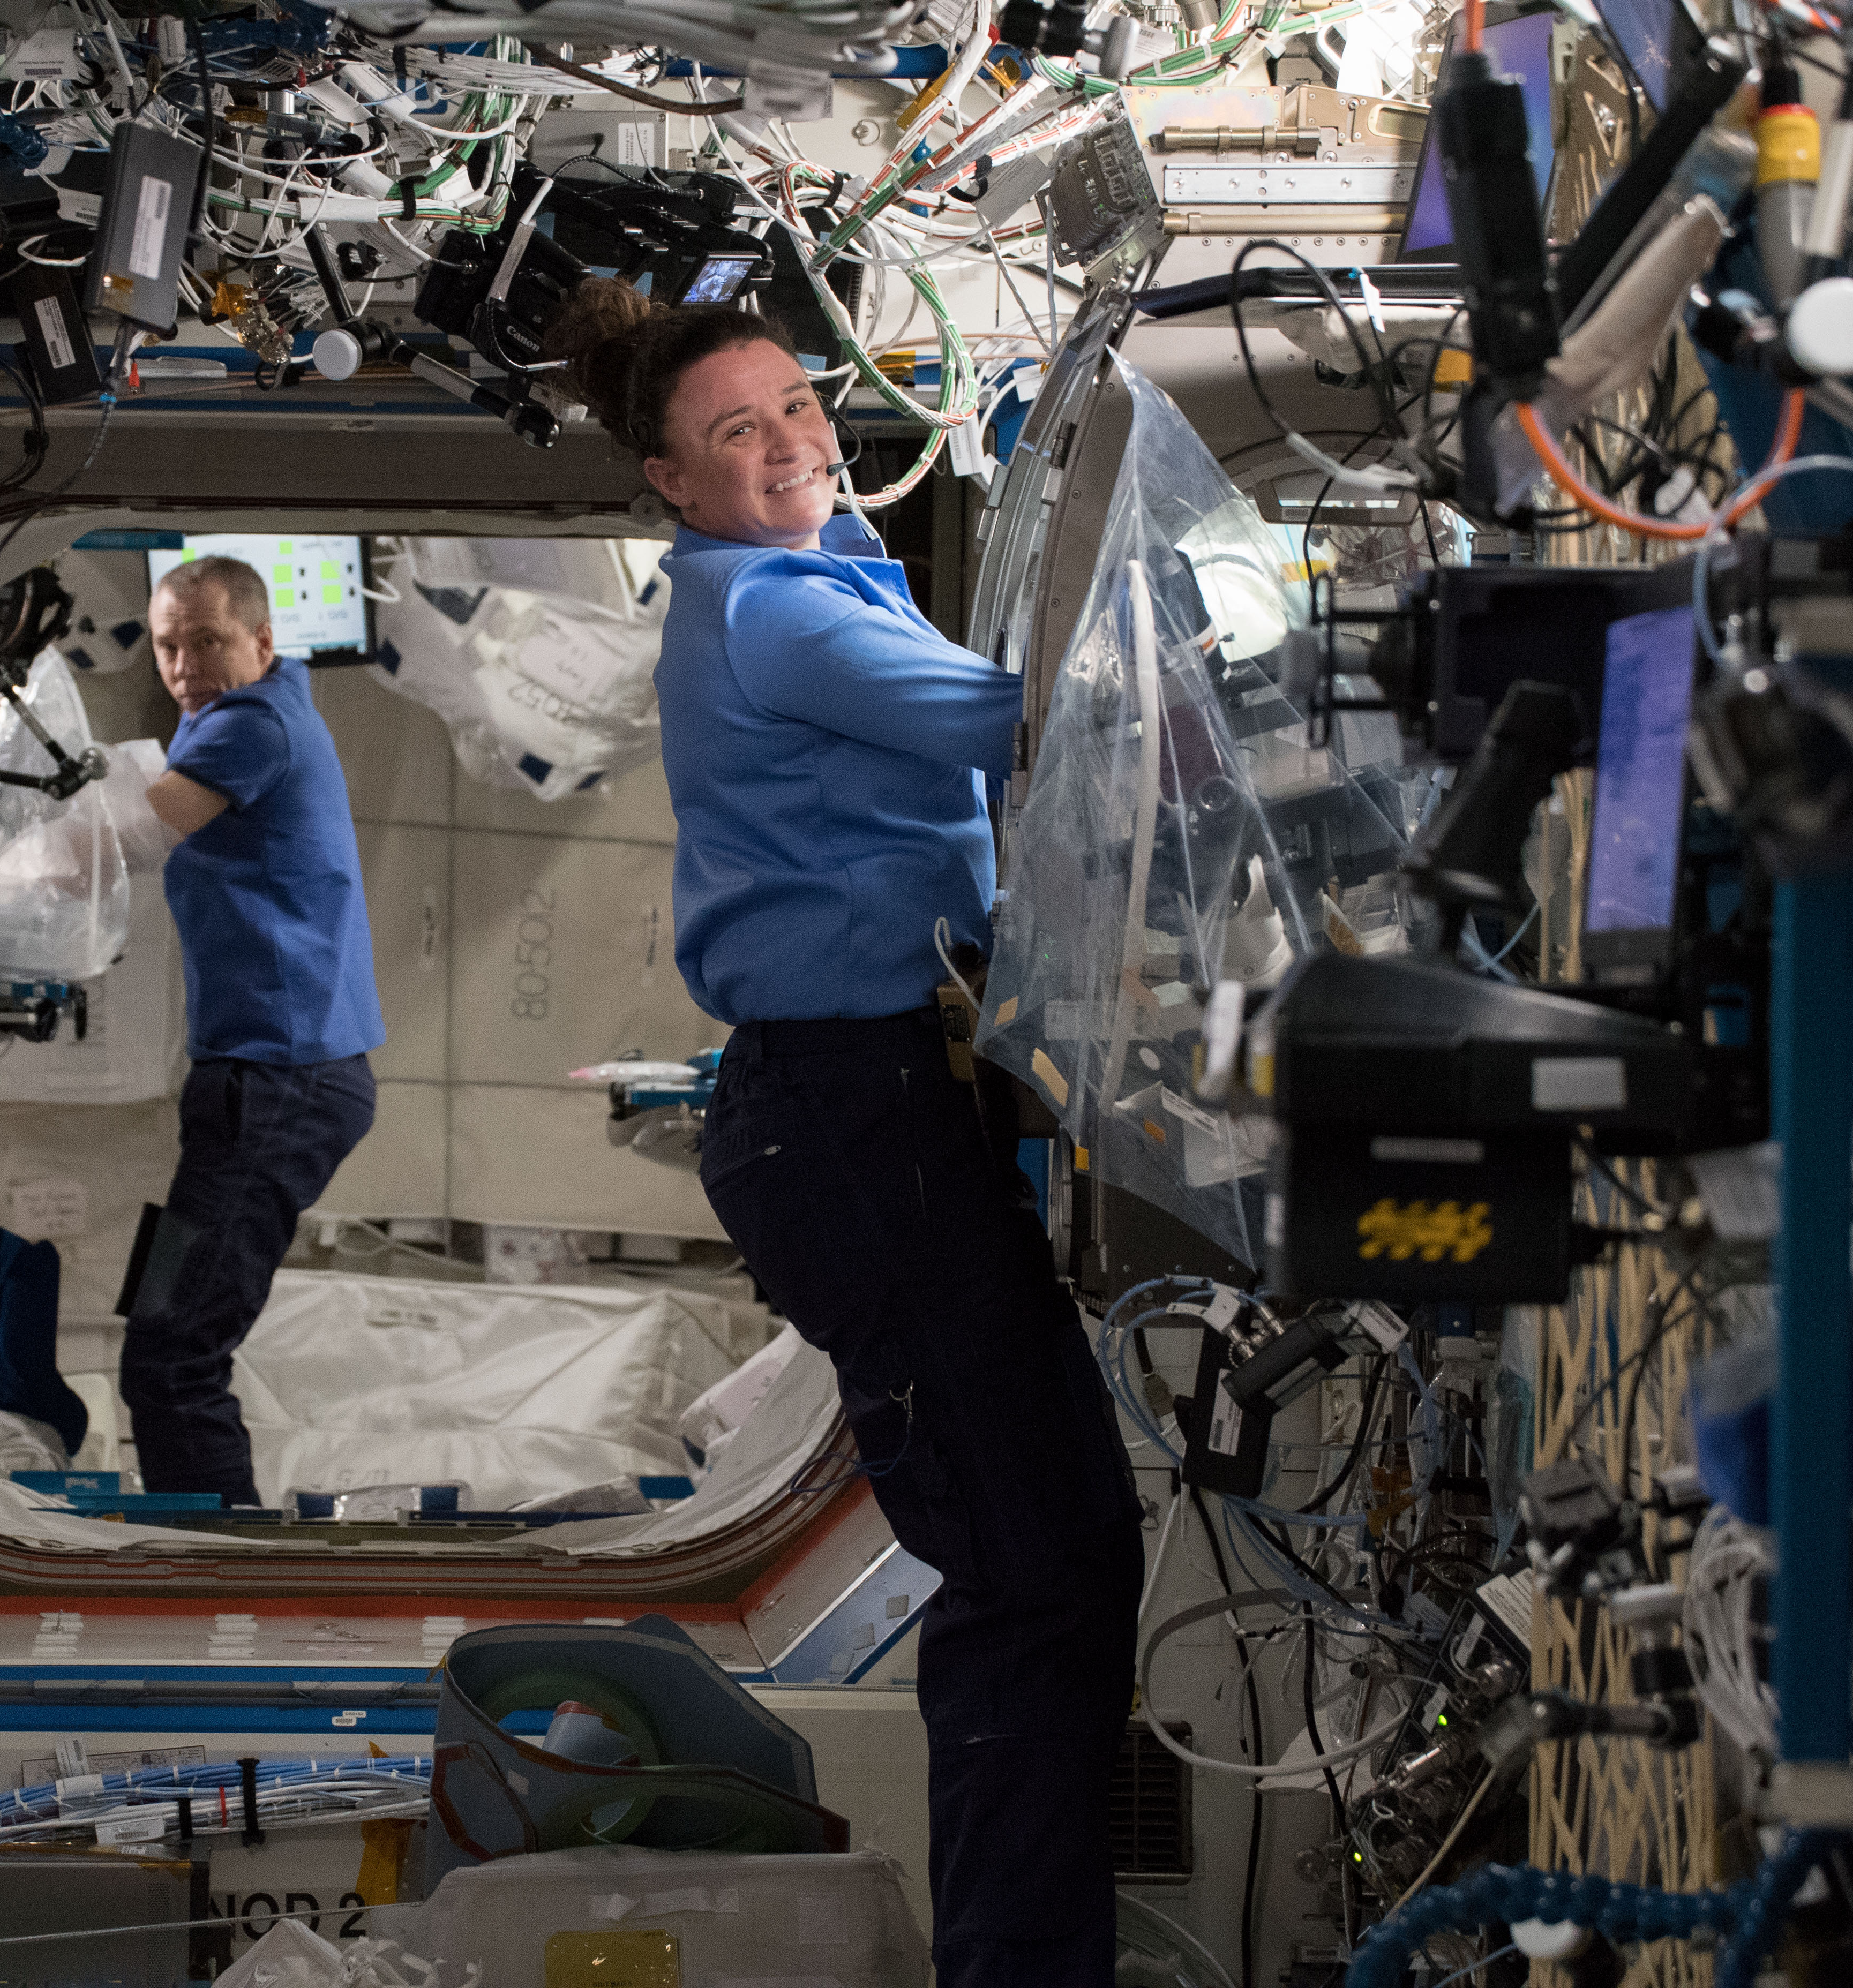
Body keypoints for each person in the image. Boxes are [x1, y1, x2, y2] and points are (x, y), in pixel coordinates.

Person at [544, 278, 1143, 1988]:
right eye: (737, 432)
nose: (791, 442)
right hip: (850, 1119)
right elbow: (1020, 719)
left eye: (799, 404)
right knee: (1038, 1571)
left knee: (1058, 1553)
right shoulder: (770, 611)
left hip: (863, 1104)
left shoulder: (818, 571)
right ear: (671, 482)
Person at [119, 554, 383, 1505]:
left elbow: (128, 835)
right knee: (159, 1333)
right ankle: (204, 1543)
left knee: (174, 1356)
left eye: (208, 641)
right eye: (167, 646)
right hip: (259, 1080)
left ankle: (216, 1562)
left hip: (279, 1085)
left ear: (262, 642)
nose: (184, 665)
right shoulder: (237, 717)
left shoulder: (252, 723)